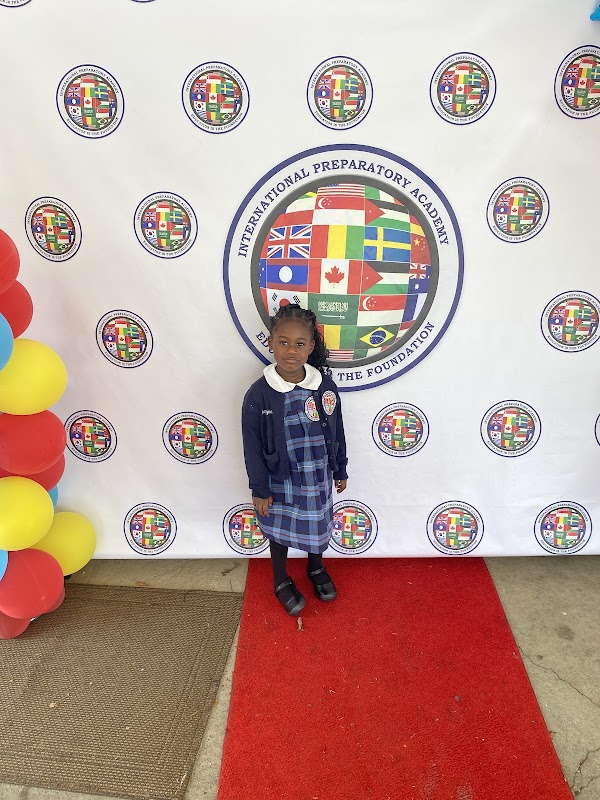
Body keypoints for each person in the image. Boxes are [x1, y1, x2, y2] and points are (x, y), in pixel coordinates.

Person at [241, 304, 348, 616]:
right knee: (280, 527)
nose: (291, 351)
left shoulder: (324, 386)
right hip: (281, 478)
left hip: (317, 475)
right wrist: (260, 488)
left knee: (316, 523)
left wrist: (340, 467)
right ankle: (280, 578)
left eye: (299, 343)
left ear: (311, 346)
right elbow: (251, 445)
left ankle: (316, 567)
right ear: (271, 343)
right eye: (283, 342)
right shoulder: (259, 394)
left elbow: (337, 428)